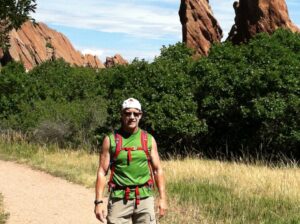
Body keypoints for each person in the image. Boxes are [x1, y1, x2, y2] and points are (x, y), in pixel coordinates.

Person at [94, 98, 167, 224]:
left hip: (145, 199)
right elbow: (102, 171)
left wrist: (162, 198)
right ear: (122, 115)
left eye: (136, 113)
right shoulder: (111, 140)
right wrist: (98, 202)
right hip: (119, 199)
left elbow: (157, 170)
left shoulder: (148, 139)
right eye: (128, 113)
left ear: (140, 115)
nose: (132, 117)